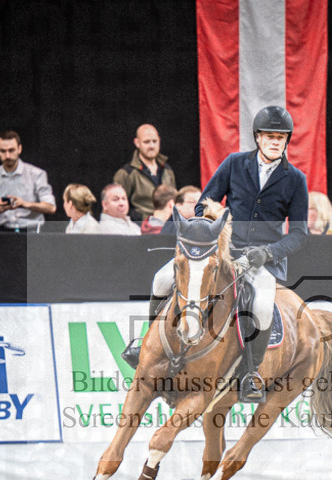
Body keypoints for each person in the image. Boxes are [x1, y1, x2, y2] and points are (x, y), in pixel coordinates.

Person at [122, 105, 309, 402]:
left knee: (260, 305)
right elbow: (202, 205)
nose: (275, 142)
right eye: (269, 136)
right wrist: (214, 229)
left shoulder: (295, 179)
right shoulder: (234, 163)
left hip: (261, 259)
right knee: (160, 280)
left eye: (281, 137)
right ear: (257, 137)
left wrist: (267, 253)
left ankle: (251, 373)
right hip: (219, 250)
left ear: (287, 141)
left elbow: (300, 234)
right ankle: (146, 346)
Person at [0, 130, 56, 232]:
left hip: (32, 232)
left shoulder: (36, 174)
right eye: (3, 151)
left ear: (19, 149)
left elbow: (51, 207)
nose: (7, 156)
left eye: (11, 150)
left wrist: (24, 204)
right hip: (3, 233)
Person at [113, 124, 176, 222]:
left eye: (154, 141)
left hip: (167, 227)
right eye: (146, 142)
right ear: (137, 143)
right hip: (141, 229)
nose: (151, 146)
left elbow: (174, 200)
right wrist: (139, 219)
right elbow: (117, 208)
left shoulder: (167, 170)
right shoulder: (126, 173)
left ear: (159, 140)